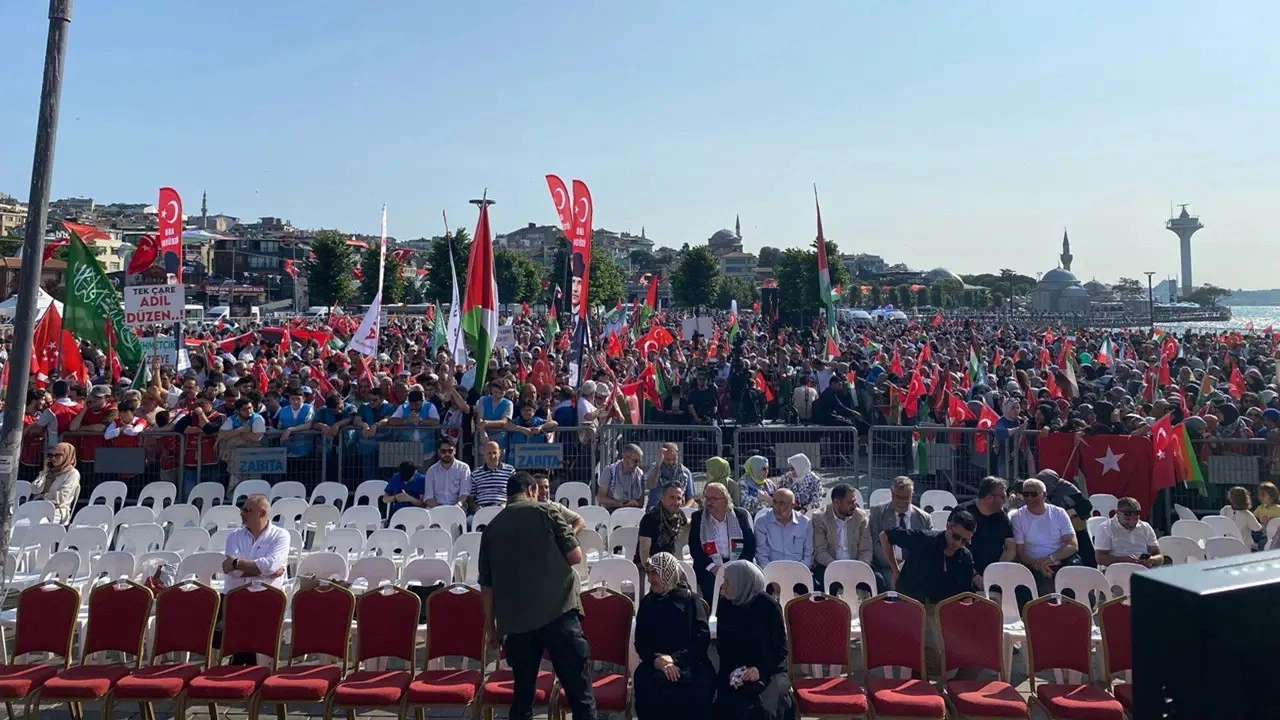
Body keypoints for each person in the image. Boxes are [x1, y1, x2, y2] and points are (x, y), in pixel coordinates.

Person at [478, 471, 594, 720]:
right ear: (531, 491)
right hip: (559, 613)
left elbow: (486, 586)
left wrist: (490, 626)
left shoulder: (492, 529)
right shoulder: (546, 512)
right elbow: (575, 556)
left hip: (516, 624)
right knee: (579, 695)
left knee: (523, 697)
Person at [634, 552, 714, 720]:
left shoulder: (690, 600)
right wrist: (657, 660)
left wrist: (674, 660)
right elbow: (641, 641)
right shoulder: (648, 603)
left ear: (668, 573)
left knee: (696, 691)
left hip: (689, 662)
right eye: (648, 573)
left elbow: (701, 639)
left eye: (654, 573)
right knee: (647, 688)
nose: (650, 579)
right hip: (656, 663)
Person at [712, 561, 794, 720]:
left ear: (742, 583)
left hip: (769, 670)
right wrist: (737, 670)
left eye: (728, 582)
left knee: (763, 708)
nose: (723, 586)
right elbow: (723, 646)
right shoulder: (725, 605)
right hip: (734, 669)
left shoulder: (769, 607)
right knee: (730, 705)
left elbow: (780, 650)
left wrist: (759, 670)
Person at [878, 508, 977, 604]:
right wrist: (895, 569)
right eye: (956, 537)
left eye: (965, 541)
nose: (958, 543)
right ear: (948, 526)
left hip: (942, 608)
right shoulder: (924, 540)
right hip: (909, 603)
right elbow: (885, 535)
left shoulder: (965, 557)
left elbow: (966, 593)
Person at [687, 482, 756, 604]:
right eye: (706, 498)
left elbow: (750, 546)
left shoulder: (740, 516)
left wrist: (735, 567)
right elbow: (695, 549)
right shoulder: (698, 518)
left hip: (737, 562)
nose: (709, 502)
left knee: (741, 584)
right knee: (710, 583)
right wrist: (713, 567)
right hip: (710, 565)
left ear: (725, 500)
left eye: (713, 499)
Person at [1010, 478, 1081, 594]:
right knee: (1046, 590)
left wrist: (1050, 559)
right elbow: (1020, 551)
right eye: (1026, 495)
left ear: (1044, 495)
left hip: (1062, 561)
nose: (1029, 498)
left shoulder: (1059, 513)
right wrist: (1038, 565)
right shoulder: (1017, 517)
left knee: (1079, 588)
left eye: (1034, 494)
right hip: (1033, 566)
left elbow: (1072, 545)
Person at [868, 476, 930, 588]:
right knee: (895, 585)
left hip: (915, 568)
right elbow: (876, 546)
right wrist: (895, 563)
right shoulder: (878, 514)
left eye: (905, 498)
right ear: (892, 493)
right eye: (898, 497)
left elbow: (927, 548)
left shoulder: (924, 518)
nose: (901, 502)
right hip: (886, 568)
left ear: (912, 495)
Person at [811, 483, 873, 592]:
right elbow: (820, 552)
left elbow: (866, 550)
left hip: (856, 566)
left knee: (878, 581)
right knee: (825, 584)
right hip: (829, 566)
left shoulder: (860, 517)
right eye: (850, 503)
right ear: (836, 502)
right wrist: (839, 570)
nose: (855, 506)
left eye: (854, 501)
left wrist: (859, 569)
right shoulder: (820, 518)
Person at [956, 477, 1016, 588]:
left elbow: (1011, 547)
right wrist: (975, 576)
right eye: (1002, 497)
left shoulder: (1001, 517)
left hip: (994, 577)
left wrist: (997, 571)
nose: (1005, 501)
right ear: (989, 497)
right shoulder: (963, 513)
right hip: (964, 573)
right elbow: (954, 547)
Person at [1038, 469, 1097, 568]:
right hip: (1058, 531)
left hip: (1077, 527)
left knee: (1086, 554)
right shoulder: (1044, 494)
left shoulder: (1067, 488)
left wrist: (1071, 511)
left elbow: (1086, 505)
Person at [1094, 496, 1163, 567]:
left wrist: (1151, 559)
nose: (1132, 523)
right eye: (1127, 519)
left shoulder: (1145, 527)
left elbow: (1159, 557)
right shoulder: (1106, 528)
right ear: (1117, 513)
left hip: (1143, 568)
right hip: (1117, 568)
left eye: (1135, 520)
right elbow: (1100, 558)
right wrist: (1123, 560)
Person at [753, 488, 813, 568]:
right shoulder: (762, 523)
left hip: (799, 569)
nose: (776, 507)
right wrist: (771, 571)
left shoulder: (805, 523)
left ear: (792, 505)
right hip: (771, 570)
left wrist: (800, 570)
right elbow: (761, 554)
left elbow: (808, 555)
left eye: (782, 504)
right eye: (774, 502)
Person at [637, 484, 689, 565]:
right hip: (648, 564)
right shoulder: (650, 519)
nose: (676, 502)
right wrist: (651, 570)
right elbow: (644, 552)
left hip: (670, 563)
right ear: (662, 498)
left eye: (679, 498)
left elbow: (689, 523)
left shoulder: (680, 515)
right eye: (672, 497)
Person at [31, 442, 80, 524]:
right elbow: (34, 490)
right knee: (20, 523)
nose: (53, 458)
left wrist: (43, 497)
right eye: (51, 455)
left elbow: (61, 498)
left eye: (57, 455)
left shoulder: (72, 473)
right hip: (39, 508)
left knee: (37, 523)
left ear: (66, 456)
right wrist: (44, 473)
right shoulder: (49, 472)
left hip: (58, 511)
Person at [645, 442, 697, 510]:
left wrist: (685, 509)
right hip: (656, 509)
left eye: (674, 459)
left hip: (678, 509)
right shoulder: (655, 468)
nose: (671, 462)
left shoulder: (685, 472)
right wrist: (658, 464)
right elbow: (651, 485)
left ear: (678, 455)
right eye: (668, 459)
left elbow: (691, 498)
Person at [423, 437, 471, 508]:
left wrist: (457, 506)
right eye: (443, 451)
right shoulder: (431, 471)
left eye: (450, 451)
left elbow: (464, 494)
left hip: (457, 507)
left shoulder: (463, 468)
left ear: (455, 451)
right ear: (439, 452)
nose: (447, 454)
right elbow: (428, 498)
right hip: (436, 508)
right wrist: (441, 510)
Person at [596, 444, 646, 511]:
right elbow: (600, 498)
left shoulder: (640, 474)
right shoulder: (610, 471)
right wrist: (619, 503)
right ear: (625, 458)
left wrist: (634, 503)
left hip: (633, 511)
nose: (637, 464)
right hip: (613, 511)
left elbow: (641, 502)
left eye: (639, 462)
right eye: (635, 461)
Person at [471, 440, 515, 509]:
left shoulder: (510, 470)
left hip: (503, 509)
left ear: (499, 453)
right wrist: (477, 509)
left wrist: (506, 506)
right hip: (482, 509)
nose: (492, 456)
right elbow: (471, 497)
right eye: (489, 453)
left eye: (495, 453)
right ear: (484, 454)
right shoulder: (476, 473)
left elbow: (515, 493)